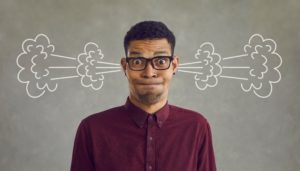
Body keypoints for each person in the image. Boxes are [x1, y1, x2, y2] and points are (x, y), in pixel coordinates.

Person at [70, 21, 217, 171]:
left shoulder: (196, 127)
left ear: (174, 65)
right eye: (138, 61)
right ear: (124, 67)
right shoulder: (92, 129)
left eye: (160, 61)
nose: (149, 72)